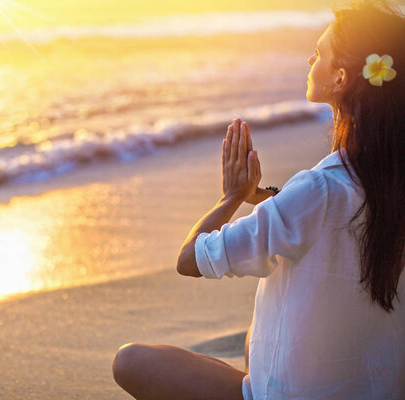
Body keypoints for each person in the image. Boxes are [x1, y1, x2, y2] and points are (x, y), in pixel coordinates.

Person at [111, 0, 405, 398]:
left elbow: (191, 259)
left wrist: (231, 197)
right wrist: (267, 199)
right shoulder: (386, 178)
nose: (309, 58)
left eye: (319, 53)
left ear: (339, 78)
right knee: (253, 339)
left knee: (129, 360)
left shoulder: (318, 190)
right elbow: (344, 211)